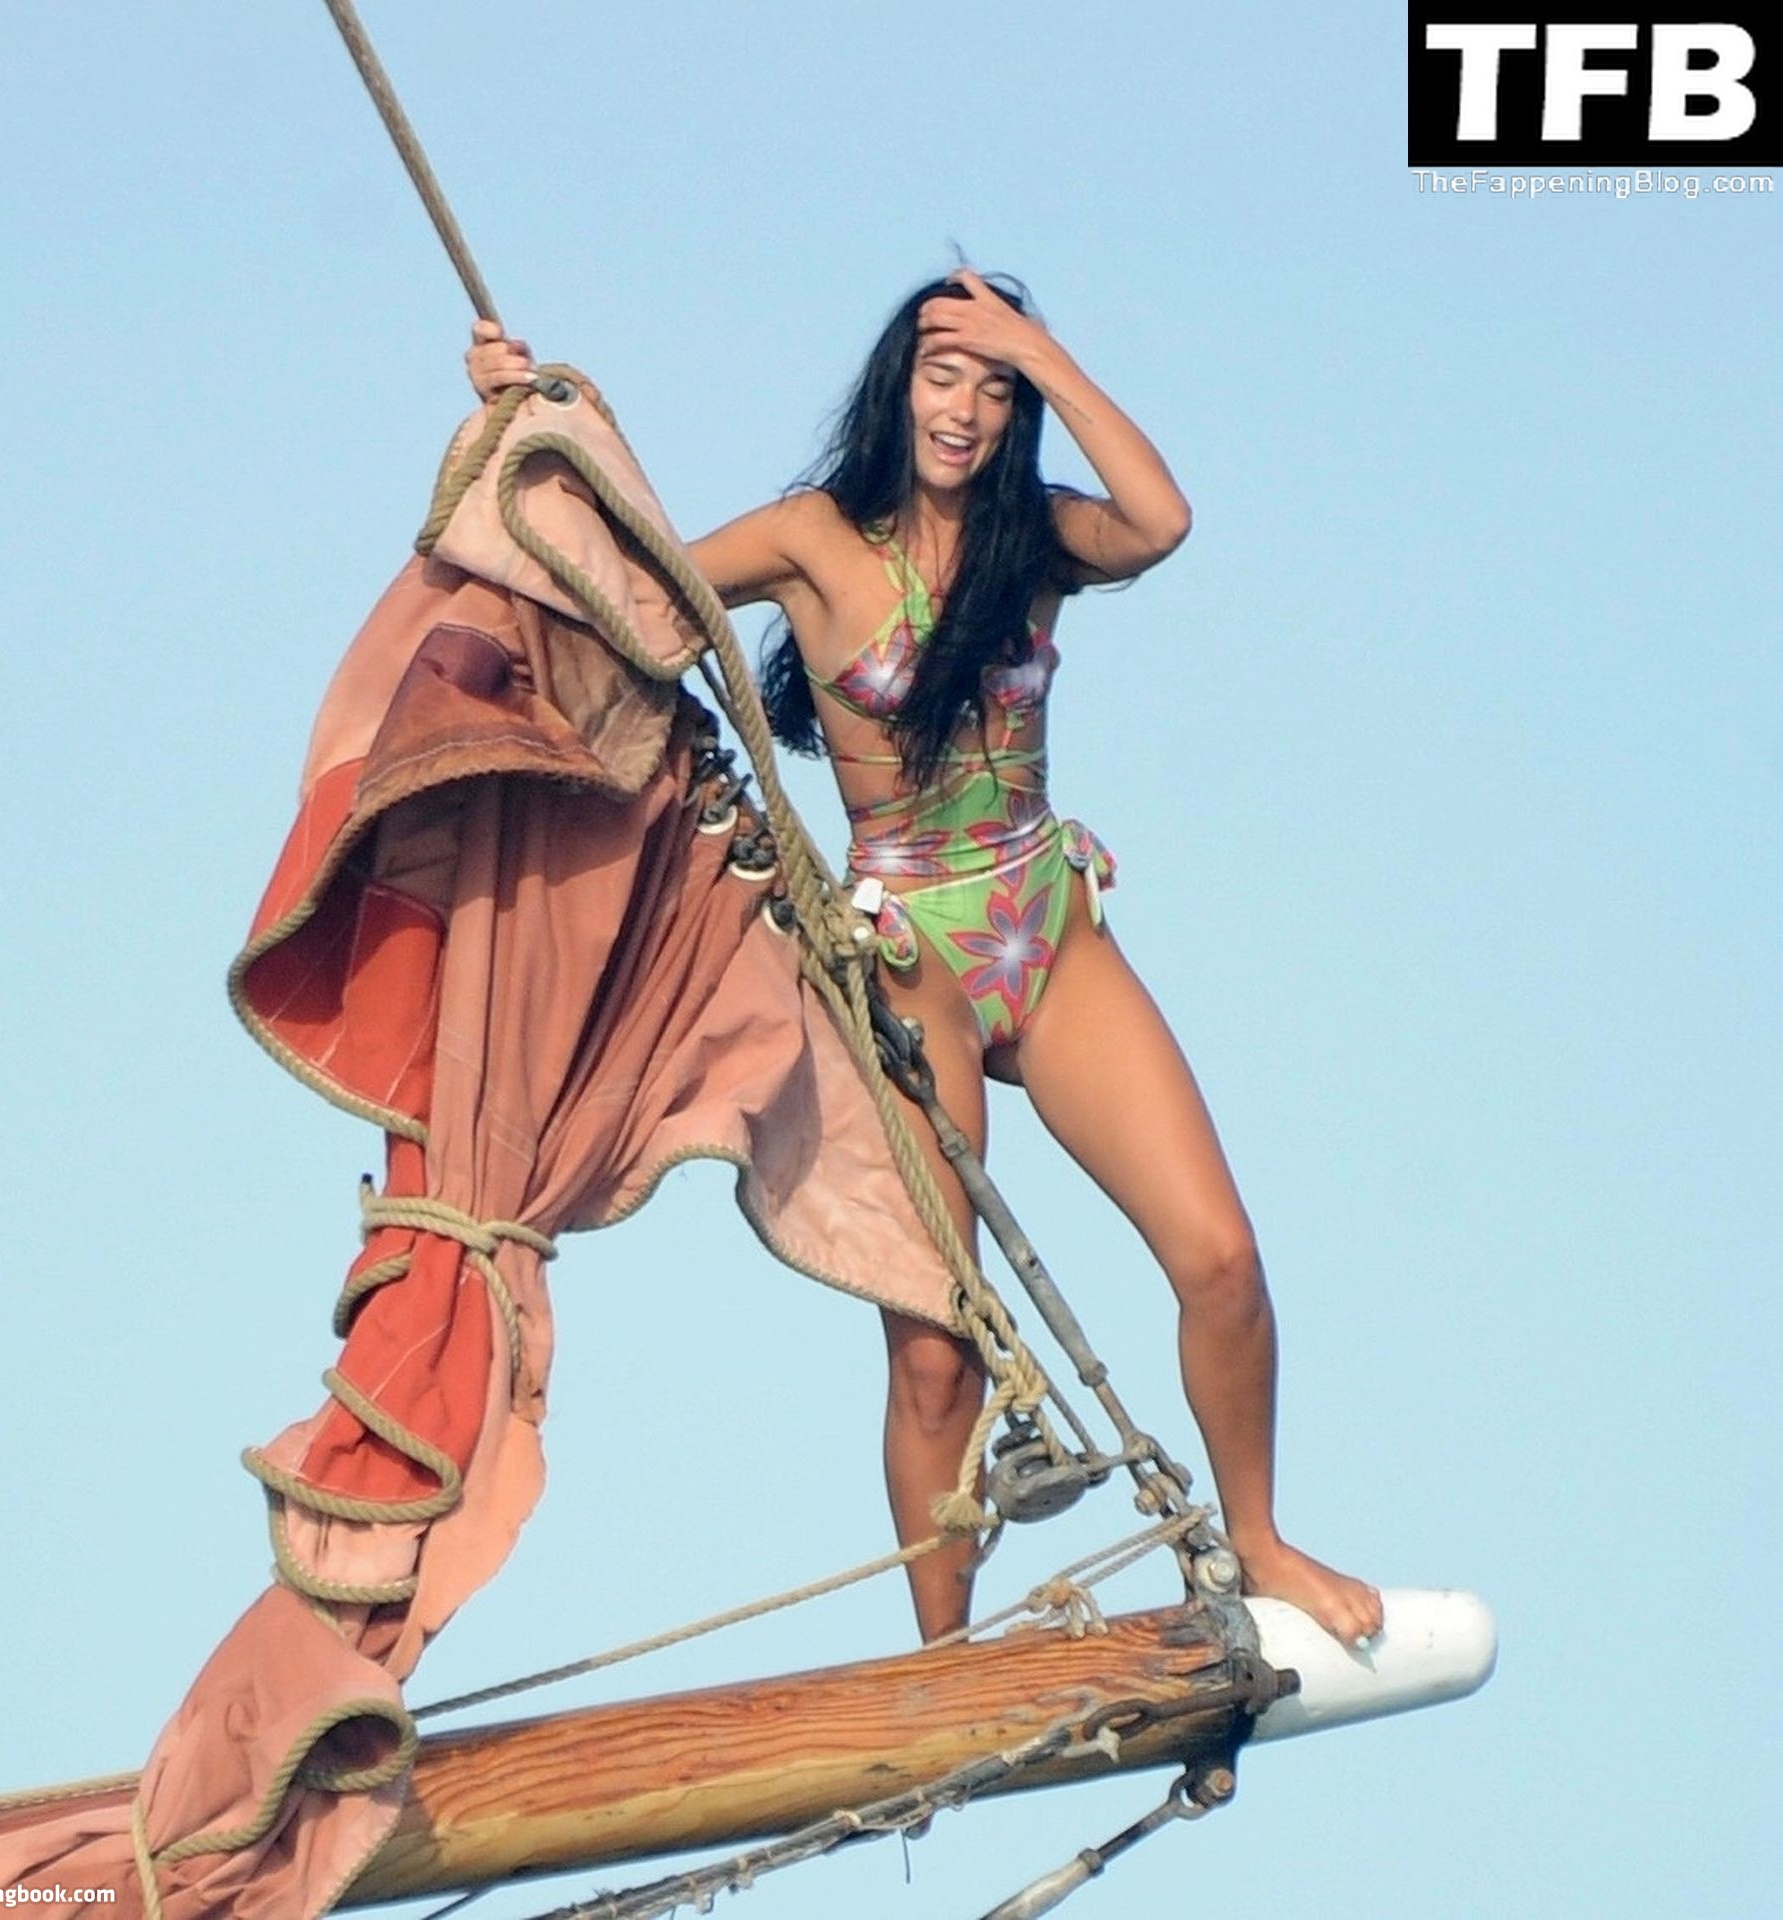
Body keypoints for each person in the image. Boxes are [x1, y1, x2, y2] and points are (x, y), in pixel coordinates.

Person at [466, 271, 1383, 1650]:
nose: (964, 406)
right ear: (897, 387)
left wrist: (1041, 352)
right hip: (910, 956)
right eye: (943, 373)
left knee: (1223, 1262)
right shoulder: (813, 539)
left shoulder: (1037, 541)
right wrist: (521, 432)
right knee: (938, 1348)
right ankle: (942, 1653)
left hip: (1045, 926)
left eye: (993, 386)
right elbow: (618, 585)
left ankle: (1259, 1541)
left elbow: (1161, 521)